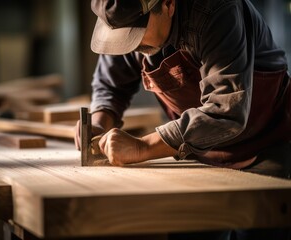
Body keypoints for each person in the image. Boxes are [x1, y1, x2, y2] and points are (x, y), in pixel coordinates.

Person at [75, 0, 291, 178]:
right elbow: (111, 85)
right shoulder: (126, 13)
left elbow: (225, 111)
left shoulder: (217, 11)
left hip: (263, 145)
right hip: (196, 151)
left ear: (169, 4)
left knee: (259, 224)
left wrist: (143, 147)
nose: (128, 46)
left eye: (134, 33)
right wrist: (99, 124)